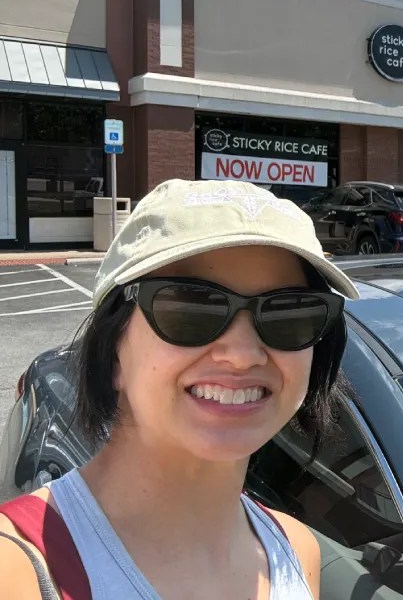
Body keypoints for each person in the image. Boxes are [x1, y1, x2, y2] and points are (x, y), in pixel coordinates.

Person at [0, 178, 360, 600]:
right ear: (113, 350)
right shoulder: (21, 568)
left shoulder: (297, 552)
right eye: (191, 308)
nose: (243, 355)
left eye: (290, 314)